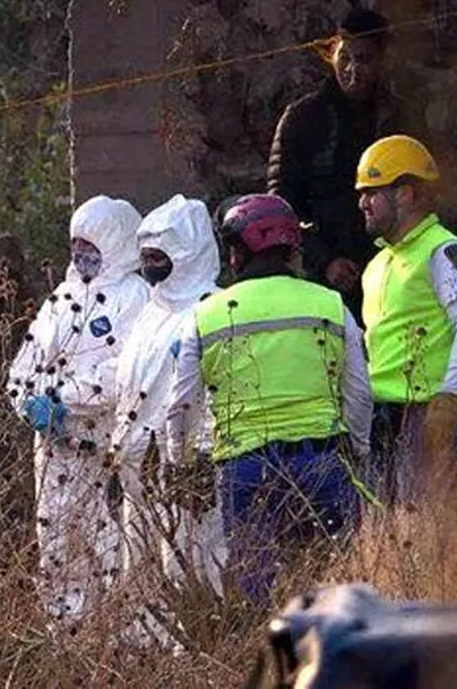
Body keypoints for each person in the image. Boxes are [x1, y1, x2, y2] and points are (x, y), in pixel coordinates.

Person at [165, 194, 372, 607]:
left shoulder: (205, 316)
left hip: (246, 471)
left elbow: (181, 406)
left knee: (257, 594)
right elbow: (359, 392)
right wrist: (360, 449)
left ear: (238, 253)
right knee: (335, 591)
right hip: (322, 463)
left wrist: (182, 464)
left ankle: (271, 664)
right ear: (292, 249)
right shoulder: (330, 304)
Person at [7, 195, 149, 631]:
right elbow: (22, 367)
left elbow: (122, 370)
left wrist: (63, 398)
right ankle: (69, 638)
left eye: (91, 245)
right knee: (57, 544)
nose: (82, 255)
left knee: (115, 542)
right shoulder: (61, 299)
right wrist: (27, 402)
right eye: (77, 244)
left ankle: (127, 638)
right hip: (53, 450)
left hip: (104, 444)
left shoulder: (136, 297)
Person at [108, 194, 225, 647]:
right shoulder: (150, 314)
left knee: (194, 571)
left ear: (188, 255)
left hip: (186, 472)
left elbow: (219, 392)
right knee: (140, 579)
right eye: (147, 258)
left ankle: (198, 664)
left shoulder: (212, 309)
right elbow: (128, 391)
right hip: (141, 470)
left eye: (161, 257)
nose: (151, 266)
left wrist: (199, 458)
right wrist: (119, 457)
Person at [268, 8, 424, 316]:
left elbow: (421, 191)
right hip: (323, 272)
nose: (352, 70)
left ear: (382, 60)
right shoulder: (303, 118)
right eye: (344, 58)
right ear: (331, 57)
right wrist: (323, 260)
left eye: (364, 59)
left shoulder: (403, 116)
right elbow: (281, 203)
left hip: (395, 264)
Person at [357, 135, 457, 506]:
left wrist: (448, 398)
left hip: (429, 414)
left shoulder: (445, 251)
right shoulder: (378, 264)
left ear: (405, 194)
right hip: (384, 416)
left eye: (372, 191)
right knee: (390, 528)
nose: (362, 203)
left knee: (429, 525)